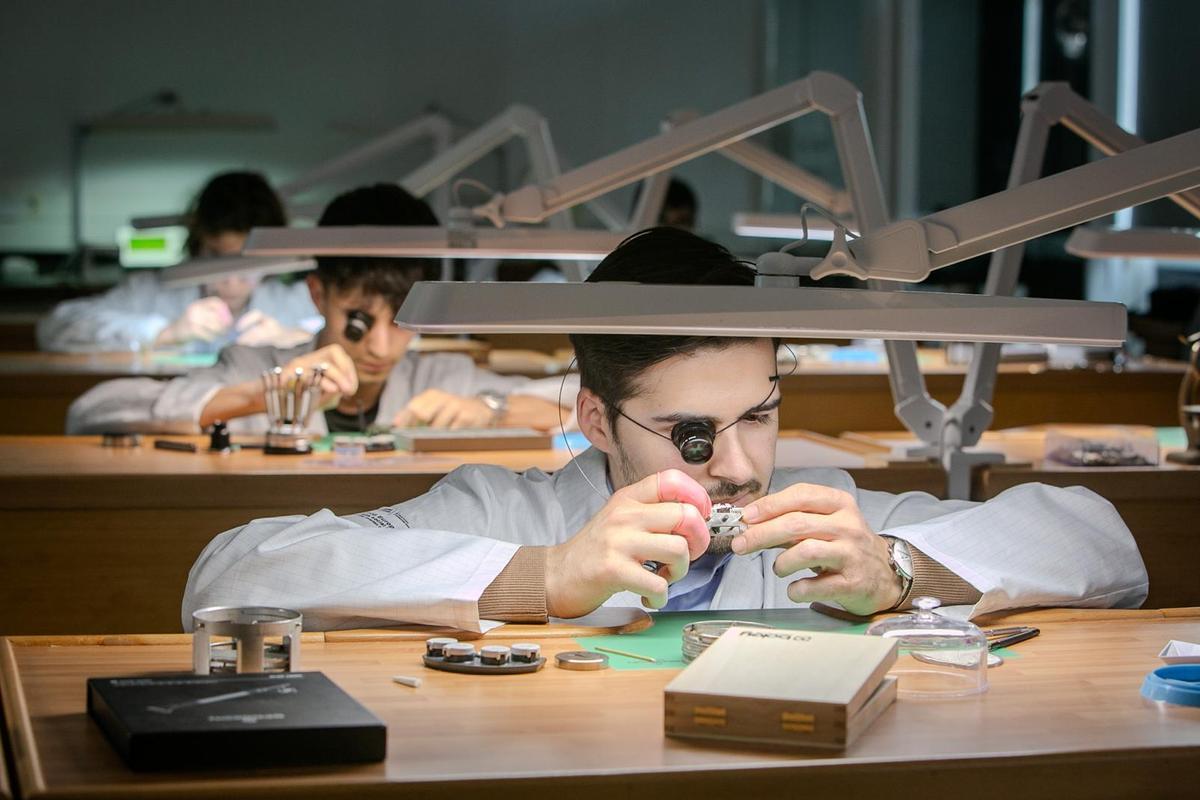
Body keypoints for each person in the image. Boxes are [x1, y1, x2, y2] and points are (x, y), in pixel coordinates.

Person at [181, 227, 1147, 632]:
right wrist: (544, 579)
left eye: (760, 416)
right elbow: (228, 575)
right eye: (692, 433)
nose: (737, 466)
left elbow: (1103, 541)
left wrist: (897, 572)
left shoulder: (822, 518)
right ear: (595, 419)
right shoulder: (503, 514)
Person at [67, 184, 575, 435]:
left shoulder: (444, 377)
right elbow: (89, 412)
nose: (380, 346)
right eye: (358, 320)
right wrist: (258, 396)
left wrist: (490, 410)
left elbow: (585, 403)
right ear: (317, 295)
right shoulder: (253, 367)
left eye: (401, 322)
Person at [37, 171, 319, 353]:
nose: (232, 279)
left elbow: (342, 339)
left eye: (246, 263)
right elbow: (56, 327)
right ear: (199, 243)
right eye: (217, 258)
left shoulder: (294, 302)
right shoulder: (154, 293)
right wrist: (164, 332)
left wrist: (294, 337)